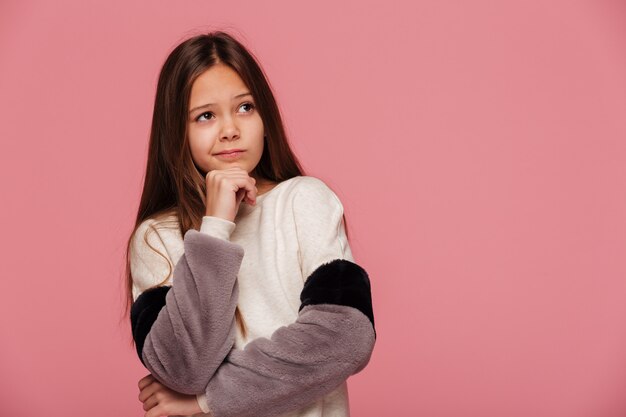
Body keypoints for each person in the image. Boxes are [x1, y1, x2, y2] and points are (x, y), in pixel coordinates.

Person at [122, 30, 376, 417]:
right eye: (205, 116)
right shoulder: (156, 238)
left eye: (245, 108)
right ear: (177, 130)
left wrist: (206, 401)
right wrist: (215, 227)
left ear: (265, 116)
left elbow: (346, 336)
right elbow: (182, 371)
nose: (230, 129)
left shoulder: (303, 201)